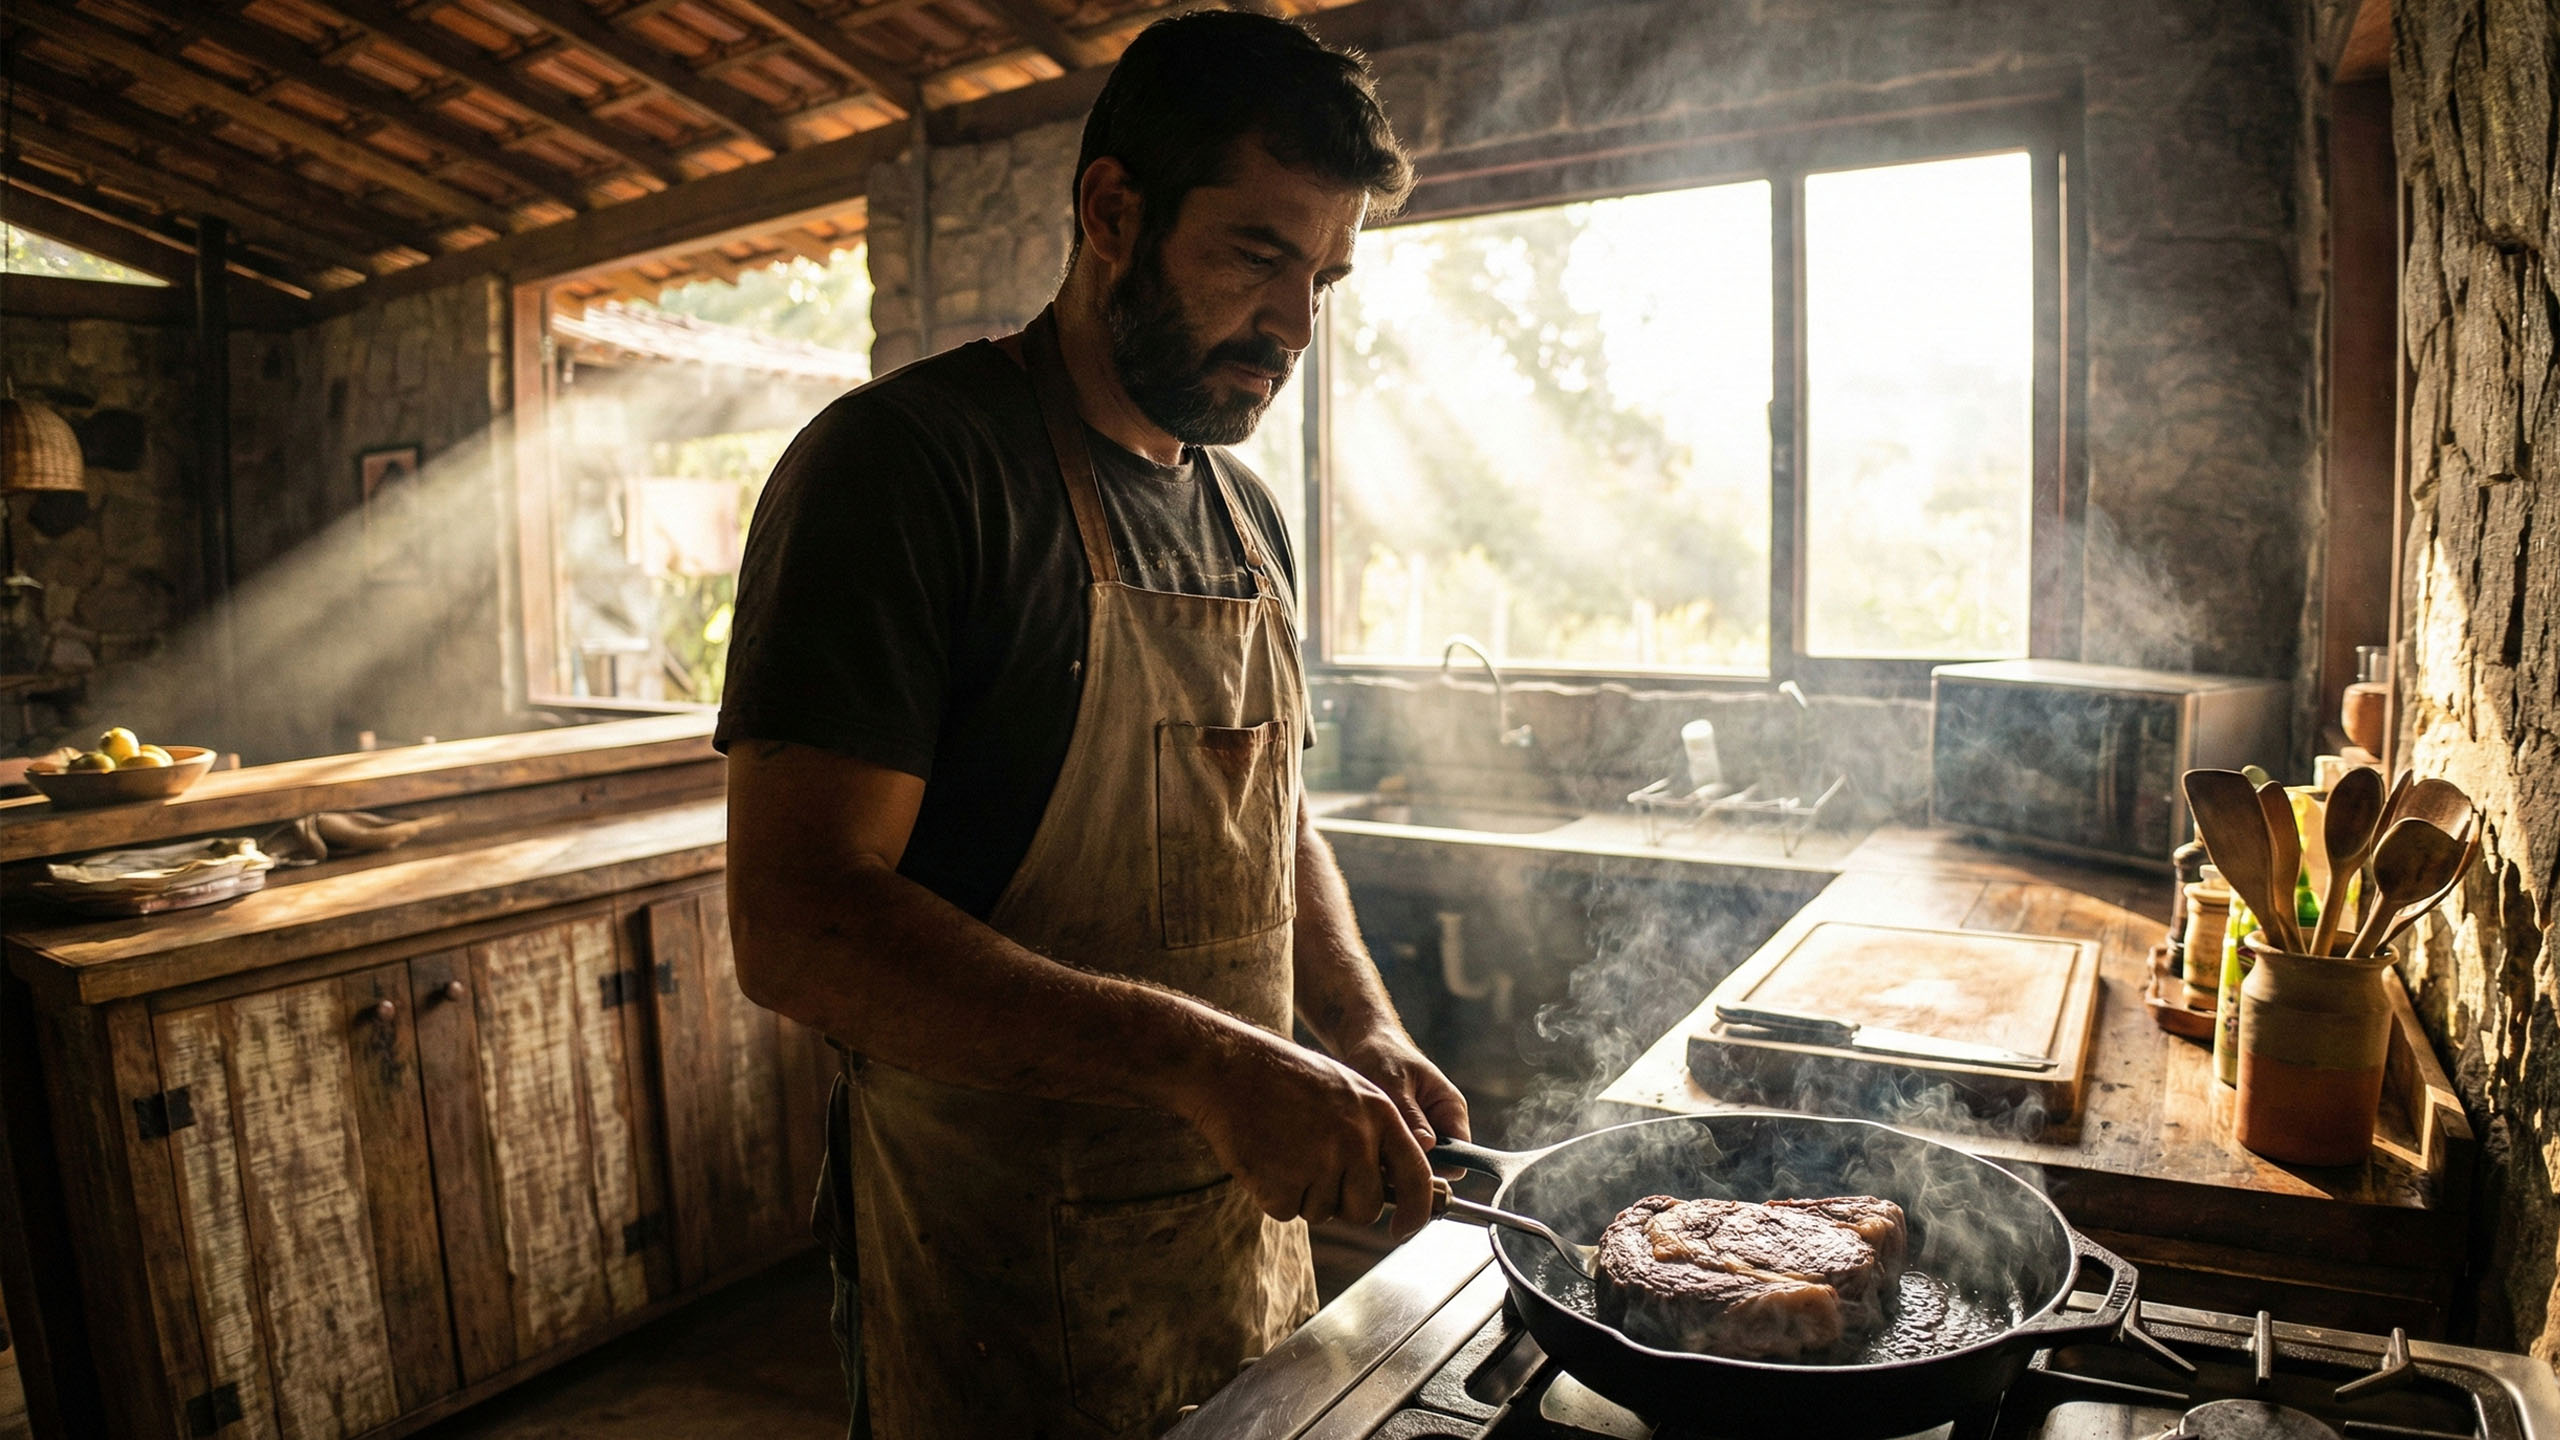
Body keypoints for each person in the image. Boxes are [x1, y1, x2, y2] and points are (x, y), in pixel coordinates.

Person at [716, 13, 1470, 1438]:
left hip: (1240, 1266)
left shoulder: (1248, 523)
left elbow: (1267, 820)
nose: (1295, 326)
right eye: (1258, 256)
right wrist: (1210, 1061)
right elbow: (796, 920)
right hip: (1002, 1284)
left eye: (1324, 277)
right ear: (1113, 212)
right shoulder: (905, 472)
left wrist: (1355, 1020)